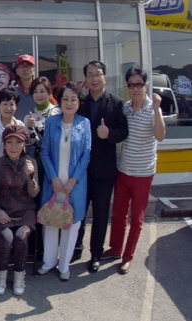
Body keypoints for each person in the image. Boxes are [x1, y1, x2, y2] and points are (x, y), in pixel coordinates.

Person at [104, 68, 165, 275]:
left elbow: (160, 136)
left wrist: (157, 109)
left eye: (139, 84)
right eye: (131, 84)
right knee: (118, 213)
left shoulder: (152, 108)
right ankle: (115, 249)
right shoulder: (126, 108)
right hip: (123, 170)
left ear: (145, 85)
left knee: (136, 218)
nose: (135, 88)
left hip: (143, 173)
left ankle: (128, 256)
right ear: (127, 87)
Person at [74, 60, 128, 272]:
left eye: (98, 74)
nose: (94, 78)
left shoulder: (115, 103)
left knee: (100, 214)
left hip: (104, 171)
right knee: (78, 211)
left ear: (105, 77)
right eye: (90, 74)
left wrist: (110, 134)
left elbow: (124, 131)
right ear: (85, 79)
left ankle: (95, 253)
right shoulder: (81, 102)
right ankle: (74, 249)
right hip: (80, 170)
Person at [38, 82, 91, 282]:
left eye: (73, 99)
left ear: (79, 103)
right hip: (53, 181)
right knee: (51, 220)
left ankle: (64, 265)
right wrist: (53, 177)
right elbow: (45, 151)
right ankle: (48, 261)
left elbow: (86, 154)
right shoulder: (52, 122)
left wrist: (72, 181)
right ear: (59, 101)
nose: (69, 103)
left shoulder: (84, 123)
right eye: (65, 99)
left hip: (74, 184)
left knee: (71, 223)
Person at [0, 124, 39, 296]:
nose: (13, 146)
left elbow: (34, 193)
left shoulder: (31, 163)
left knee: (21, 238)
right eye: (9, 142)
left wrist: (31, 176)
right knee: (6, 239)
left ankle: (19, 274)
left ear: (24, 144)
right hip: (4, 211)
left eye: (18, 142)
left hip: (25, 211)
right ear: (3, 144)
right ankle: (1, 274)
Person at [22, 77, 60, 163]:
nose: (39, 95)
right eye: (35, 92)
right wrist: (31, 129)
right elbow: (29, 144)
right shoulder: (28, 117)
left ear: (49, 92)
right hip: (36, 163)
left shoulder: (57, 112)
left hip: (56, 160)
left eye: (42, 91)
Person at [13, 54, 37, 121]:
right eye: (22, 66)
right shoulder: (12, 91)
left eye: (28, 66)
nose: (25, 69)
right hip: (17, 130)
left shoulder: (41, 90)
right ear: (17, 71)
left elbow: (53, 108)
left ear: (34, 70)